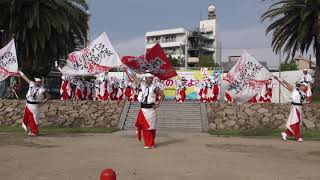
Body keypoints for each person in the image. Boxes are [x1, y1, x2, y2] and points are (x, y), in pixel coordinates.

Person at [126, 69, 165, 149]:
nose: (150, 79)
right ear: (145, 78)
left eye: (151, 78)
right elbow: (134, 78)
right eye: (149, 78)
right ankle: (148, 143)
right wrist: (127, 70)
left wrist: (158, 104)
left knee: (151, 128)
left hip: (151, 109)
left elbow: (163, 95)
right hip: (143, 109)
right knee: (145, 127)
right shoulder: (142, 85)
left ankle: (151, 143)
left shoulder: (155, 87)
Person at [274, 76, 307, 142]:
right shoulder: (294, 90)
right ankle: (298, 137)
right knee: (295, 121)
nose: (304, 87)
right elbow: (286, 83)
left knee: (296, 122)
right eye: (303, 86)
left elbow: (303, 101)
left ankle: (285, 133)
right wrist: (278, 78)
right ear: (301, 86)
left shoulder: (304, 93)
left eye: (305, 87)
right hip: (295, 108)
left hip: (299, 108)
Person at [19, 71, 50, 136]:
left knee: (34, 119)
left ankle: (35, 132)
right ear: (35, 81)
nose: (39, 83)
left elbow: (48, 97)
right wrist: (20, 72)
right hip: (28, 104)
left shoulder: (42, 89)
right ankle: (32, 130)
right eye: (38, 82)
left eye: (40, 82)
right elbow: (25, 77)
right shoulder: (31, 84)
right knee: (29, 119)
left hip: (35, 105)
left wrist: (42, 102)